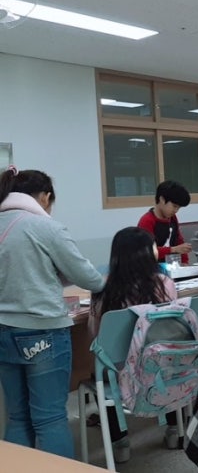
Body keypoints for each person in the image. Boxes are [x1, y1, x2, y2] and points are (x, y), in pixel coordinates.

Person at [0, 166, 105, 459]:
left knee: (18, 417)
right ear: (45, 197)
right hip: (42, 330)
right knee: (49, 418)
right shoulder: (45, 227)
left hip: (2, 331)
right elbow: (89, 279)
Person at [88, 226, 179, 462]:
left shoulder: (102, 289)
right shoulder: (164, 284)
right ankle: (174, 430)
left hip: (118, 370)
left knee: (99, 374)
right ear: (147, 253)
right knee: (168, 364)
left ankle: (120, 444)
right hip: (160, 364)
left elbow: (96, 335)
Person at [137, 180, 192, 263]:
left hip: (170, 266)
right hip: (152, 267)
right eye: (174, 206)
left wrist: (185, 262)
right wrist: (173, 249)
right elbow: (147, 251)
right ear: (162, 199)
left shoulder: (172, 218)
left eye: (179, 208)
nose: (176, 210)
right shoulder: (147, 221)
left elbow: (179, 241)